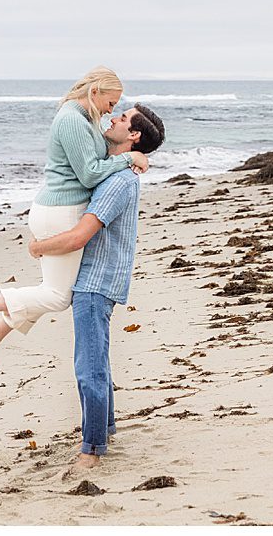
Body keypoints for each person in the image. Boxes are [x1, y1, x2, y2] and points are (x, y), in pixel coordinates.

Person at [0, 66, 149, 371]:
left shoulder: (86, 120)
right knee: (57, 296)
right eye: (111, 103)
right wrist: (129, 157)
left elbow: (99, 157)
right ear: (94, 93)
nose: (110, 111)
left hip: (59, 209)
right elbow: (89, 174)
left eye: (116, 108)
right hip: (60, 212)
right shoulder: (72, 120)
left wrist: (127, 154)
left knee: (52, 289)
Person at [27, 103, 165, 470]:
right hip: (100, 278)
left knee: (89, 368)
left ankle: (91, 450)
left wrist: (39, 247)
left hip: (96, 281)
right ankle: (105, 429)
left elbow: (79, 237)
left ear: (133, 134)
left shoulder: (118, 182)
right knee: (97, 360)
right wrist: (134, 156)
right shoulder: (120, 171)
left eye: (122, 118)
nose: (113, 118)